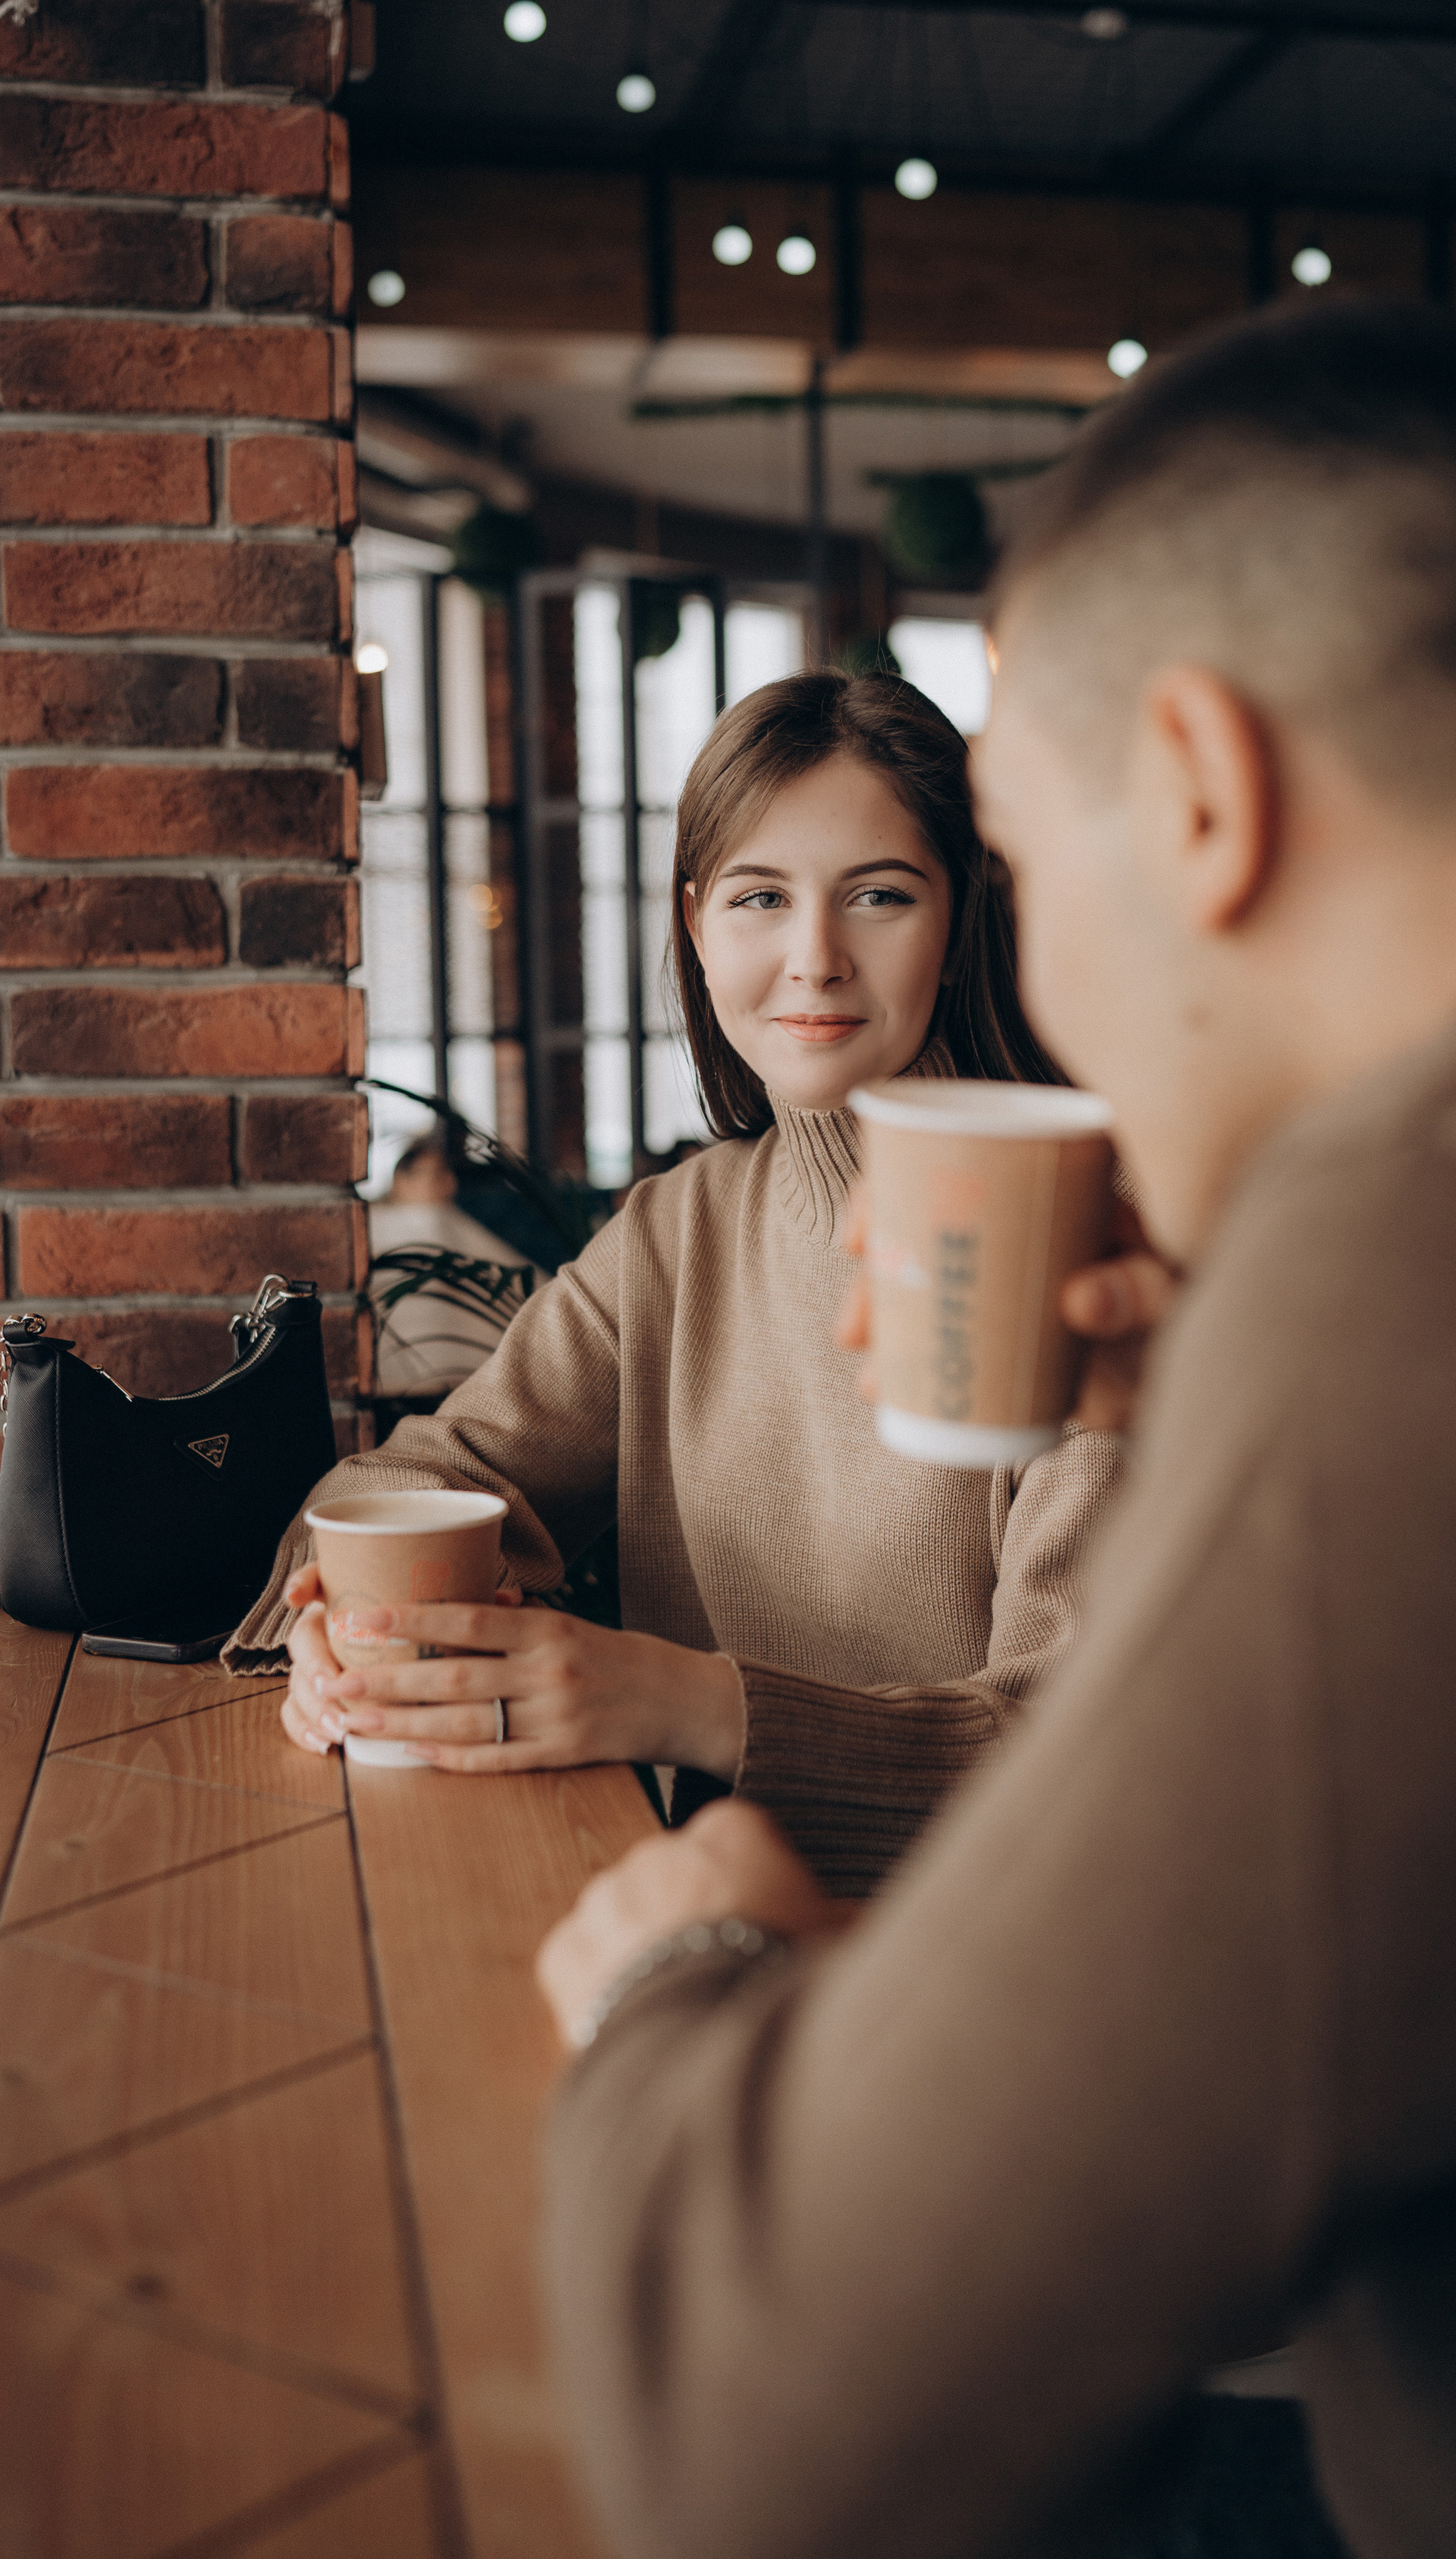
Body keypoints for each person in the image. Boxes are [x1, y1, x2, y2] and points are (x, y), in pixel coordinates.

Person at [533, 299, 1456, 2559]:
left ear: (1200, 789)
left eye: (1015, 877)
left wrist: (679, 1975)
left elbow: (759, 2422)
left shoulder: (1452, 1229)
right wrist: (1201, 1414)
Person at [226, 672, 1132, 1894]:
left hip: (982, 1966)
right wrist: (338, 1621)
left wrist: (688, 1703)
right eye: (762, 898)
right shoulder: (678, 1232)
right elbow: (425, 1476)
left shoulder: (1076, 1243)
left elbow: (1078, 1759)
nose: (815, 959)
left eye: (878, 895)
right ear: (700, 928)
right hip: (697, 1912)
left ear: (959, 926)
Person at [366, 1132, 546, 1402]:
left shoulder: (452, 1224)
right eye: (436, 1175)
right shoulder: (386, 1230)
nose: (449, 1184)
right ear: (401, 1181)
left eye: (448, 1174)